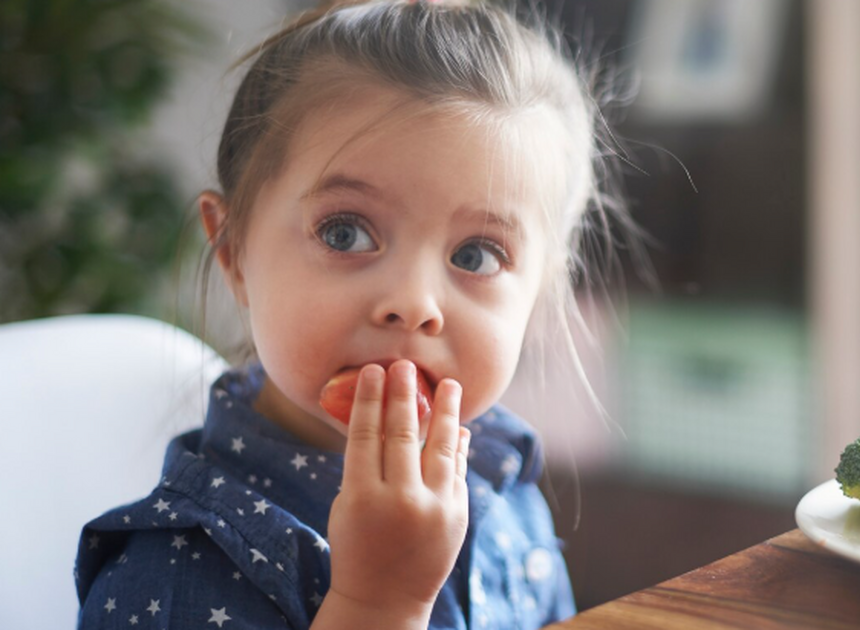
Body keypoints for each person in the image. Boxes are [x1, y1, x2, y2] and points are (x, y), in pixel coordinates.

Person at [74, 1, 636, 628]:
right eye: (345, 233)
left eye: (476, 255)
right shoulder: (175, 575)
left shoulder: (503, 478)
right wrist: (377, 605)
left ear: (540, 289)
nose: (414, 304)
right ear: (234, 253)